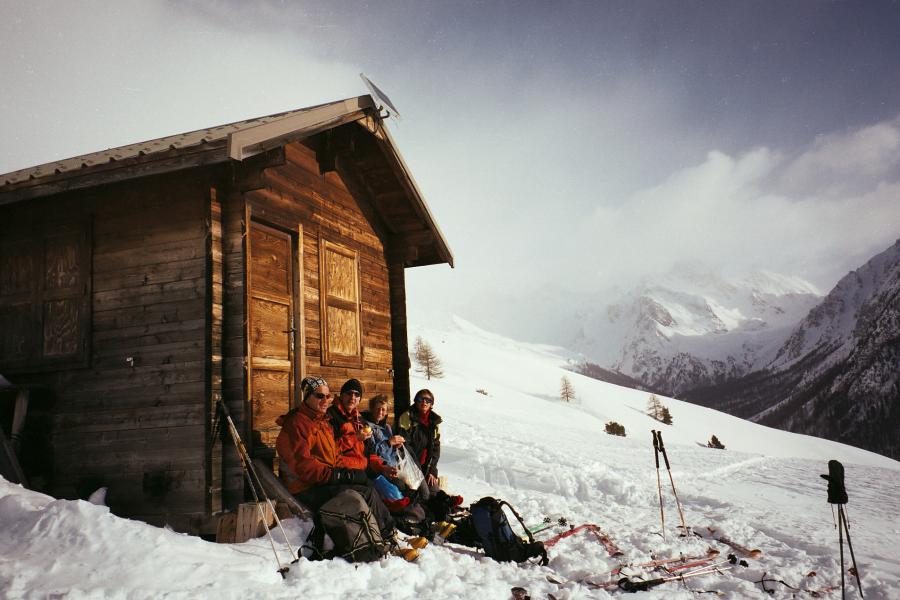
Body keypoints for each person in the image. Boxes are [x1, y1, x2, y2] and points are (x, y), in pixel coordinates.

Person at [275, 376, 394, 535]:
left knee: (367, 486)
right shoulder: (297, 424)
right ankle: (386, 534)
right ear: (307, 396)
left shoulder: (322, 422)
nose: (325, 400)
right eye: (319, 396)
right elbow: (305, 468)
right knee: (365, 493)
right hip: (306, 487)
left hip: (323, 480)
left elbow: (333, 456)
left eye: (327, 396)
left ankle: (387, 533)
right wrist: (338, 475)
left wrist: (351, 473)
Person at [397, 388, 442, 496]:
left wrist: (432, 470)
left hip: (426, 467)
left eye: (428, 400)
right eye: (421, 399)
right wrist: (417, 471)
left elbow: (436, 447)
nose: (424, 402)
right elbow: (404, 446)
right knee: (425, 494)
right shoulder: (407, 417)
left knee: (435, 493)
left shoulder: (434, 421)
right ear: (415, 401)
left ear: (432, 404)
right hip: (411, 466)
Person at [361, 394, 406, 468]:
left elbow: (389, 452)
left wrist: (396, 446)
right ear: (372, 409)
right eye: (377, 408)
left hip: (392, 466)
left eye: (383, 409)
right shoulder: (367, 427)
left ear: (386, 412)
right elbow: (372, 452)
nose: (380, 412)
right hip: (378, 469)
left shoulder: (387, 427)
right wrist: (389, 442)